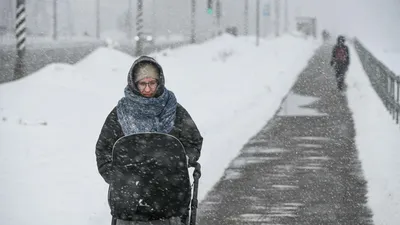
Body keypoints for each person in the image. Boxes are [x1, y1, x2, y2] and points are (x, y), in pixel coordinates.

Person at [95, 56, 203, 225]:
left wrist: (182, 161)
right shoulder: (121, 113)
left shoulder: (173, 109)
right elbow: (104, 148)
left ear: (159, 82)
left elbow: (194, 140)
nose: (147, 88)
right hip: (131, 195)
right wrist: (116, 178)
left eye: (152, 83)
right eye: (142, 84)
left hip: (168, 190)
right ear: (134, 84)